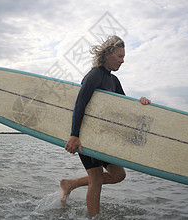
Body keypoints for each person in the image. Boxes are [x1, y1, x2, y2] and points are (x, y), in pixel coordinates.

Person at [60, 35, 151, 216]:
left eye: (123, 57)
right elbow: (81, 103)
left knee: (119, 175)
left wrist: (140, 102)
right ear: (108, 54)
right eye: (119, 56)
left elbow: (124, 108)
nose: (122, 61)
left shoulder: (114, 81)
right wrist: (74, 134)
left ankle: (70, 184)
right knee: (96, 178)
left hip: (102, 137)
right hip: (86, 135)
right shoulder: (94, 75)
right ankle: (93, 217)